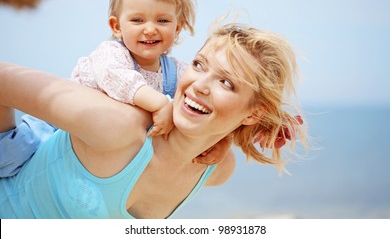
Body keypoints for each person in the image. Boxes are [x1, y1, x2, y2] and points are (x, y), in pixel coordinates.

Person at [0, 23, 308, 218]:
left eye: (227, 83)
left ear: (254, 114)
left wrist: (225, 136)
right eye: (199, 65)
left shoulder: (217, 169)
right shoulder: (116, 126)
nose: (199, 85)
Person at [0, 0, 227, 178]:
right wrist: (160, 104)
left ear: (177, 28)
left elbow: (203, 102)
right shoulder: (110, 54)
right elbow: (117, 78)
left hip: (99, 155)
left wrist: (222, 142)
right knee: (10, 158)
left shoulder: (177, 71)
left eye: (163, 20)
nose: (150, 29)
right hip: (53, 132)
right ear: (116, 26)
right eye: (137, 20)